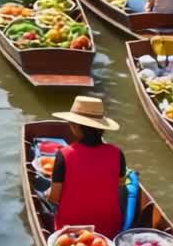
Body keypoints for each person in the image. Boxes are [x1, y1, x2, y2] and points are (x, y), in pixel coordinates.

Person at [47, 96, 125, 236]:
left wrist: (47, 193)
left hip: (71, 230)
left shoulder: (63, 155)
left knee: (45, 197)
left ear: (76, 127)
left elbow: (54, 198)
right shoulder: (117, 154)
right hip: (109, 229)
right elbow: (119, 185)